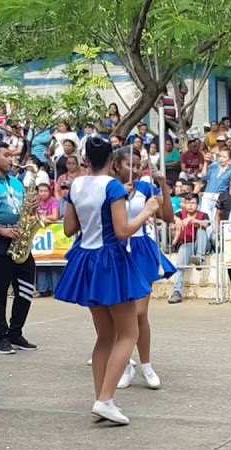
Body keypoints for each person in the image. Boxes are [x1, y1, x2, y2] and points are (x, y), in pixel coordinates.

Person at [54, 135, 160, 425]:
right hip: (111, 260)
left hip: (86, 258)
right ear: (113, 162)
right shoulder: (113, 187)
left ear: (86, 159)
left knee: (104, 335)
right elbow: (124, 231)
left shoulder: (76, 185)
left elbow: (68, 228)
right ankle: (105, 399)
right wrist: (148, 211)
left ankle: (101, 397)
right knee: (128, 333)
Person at [112, 147, 176, 389]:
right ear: (117, 166)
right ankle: (126, 363)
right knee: (119, 314)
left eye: (139, 165)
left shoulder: (146, 188)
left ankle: (146, 365)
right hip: (115, 251)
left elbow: (167, 217)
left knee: (139, 313)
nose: (136, 170)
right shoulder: (109, 188)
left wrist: (163, 189)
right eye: (130, 165)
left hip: (139, 249)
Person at [0, 141, 38, 354]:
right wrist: (0, 230)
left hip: (19, 237)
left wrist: (32, 208)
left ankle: (16, 332)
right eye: (6, 155)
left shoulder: (16, 182)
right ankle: (0, 336)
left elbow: (24, 209)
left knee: (25, 289)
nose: (11, 159)